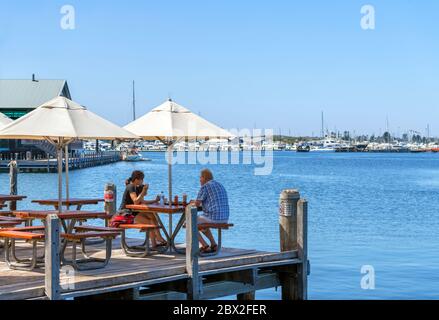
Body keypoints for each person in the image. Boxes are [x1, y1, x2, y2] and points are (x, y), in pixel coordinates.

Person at [119, 170, 167, 248]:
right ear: (137, 179)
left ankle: (157, 240)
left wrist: (156, 200)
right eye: (142, 179)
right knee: (149, 222)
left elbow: (143, 201)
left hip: (134, 212)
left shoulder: (137, 187)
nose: (143, 181)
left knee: (152, 215)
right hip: (125, 214)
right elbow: (135, 201)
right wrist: (143, 191)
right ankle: (158, 239)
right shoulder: (130, 187)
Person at [192, 168, 229, 253]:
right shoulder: (219, 184)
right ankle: (213, 244)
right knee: (201, 222)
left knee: (190, 222)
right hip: (224, 218)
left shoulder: (205, 186)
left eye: (200, 178)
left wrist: (191, 203)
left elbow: (196, 204)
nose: (199, 180)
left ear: (204, 177)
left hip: (214, 217)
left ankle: (204, 246)